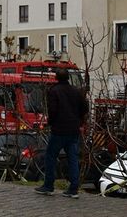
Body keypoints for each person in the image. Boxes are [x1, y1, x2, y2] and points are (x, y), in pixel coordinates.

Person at [34, 68, 88, 198]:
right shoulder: (76, 91)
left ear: (56, 78)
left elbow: (52, 110)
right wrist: (79, 122)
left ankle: (48, 185)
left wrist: (50, 122)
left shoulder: (54, 91)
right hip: (73, 130)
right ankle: (73, 188)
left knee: (50, 156)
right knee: (73, 159)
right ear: (68, 78)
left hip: (59, 130)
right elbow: (85, 108)